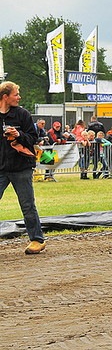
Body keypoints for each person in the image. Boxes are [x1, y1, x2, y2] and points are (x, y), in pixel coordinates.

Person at [0, 82, 46, 254]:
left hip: (21, 168)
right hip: (1, 169)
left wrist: (18, 134)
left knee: (27, 206)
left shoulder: (23, 114)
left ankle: (37, 240)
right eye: (16, 94)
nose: (19, 97)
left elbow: (33, 139)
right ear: (5, 96)